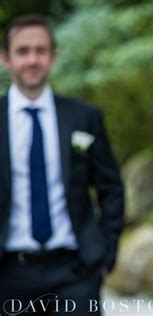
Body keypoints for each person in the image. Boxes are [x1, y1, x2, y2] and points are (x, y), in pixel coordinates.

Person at [0, 15, 124, 315]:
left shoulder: (84, 117)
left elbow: (111, 188)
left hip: (75, 271)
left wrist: (106, 254)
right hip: (7, 273)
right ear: (6, 58)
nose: (33, 59)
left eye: (41, 51)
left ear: (53, 57)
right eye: (23, 51)